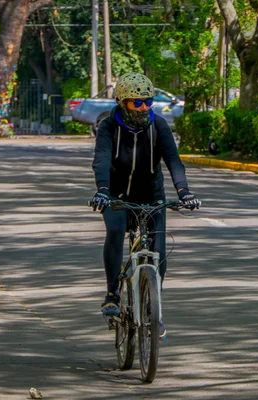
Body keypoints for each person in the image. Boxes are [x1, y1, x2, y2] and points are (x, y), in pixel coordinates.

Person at [89, 72, 201, 339]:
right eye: (137, 102)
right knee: (115, 232)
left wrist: (184, 192)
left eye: (148, 101)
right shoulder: (108, 126)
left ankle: (155, 310)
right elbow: (102, 159)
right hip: (116, 195)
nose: (144, 107)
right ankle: (113, 293)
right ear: (122, 101)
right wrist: (103, 191)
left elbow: (174, 161)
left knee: (159, 250)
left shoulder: (158, 125)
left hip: (152, 196)